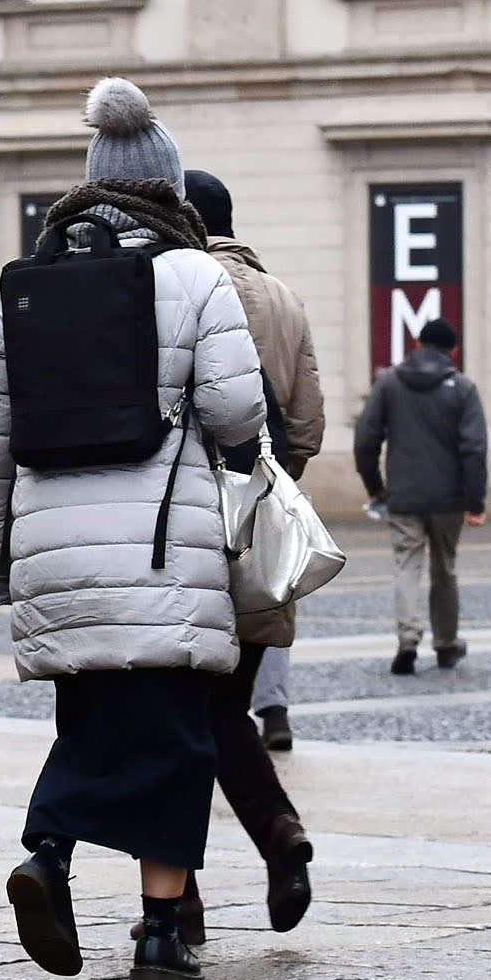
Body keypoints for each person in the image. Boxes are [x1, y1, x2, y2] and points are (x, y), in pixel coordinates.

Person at [0, 78, 264, 980]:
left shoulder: (22, 289)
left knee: (89, 723)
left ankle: (48, 856)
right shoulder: (195, 276)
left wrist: (0, 566)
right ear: (171, 191)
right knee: (175, 742)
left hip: (60, 556)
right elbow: (235, 406)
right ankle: (156, 936)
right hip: (162, 550)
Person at [182, 168, 322, 931]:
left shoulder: (181, 288)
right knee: (226, 711)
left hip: (186, 532)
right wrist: (265, 491)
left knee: (176, 718)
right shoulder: (285, 297)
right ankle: (280, 837)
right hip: (259, 538)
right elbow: (306, 430)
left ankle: (182, 904)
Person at [355, 316, 487, 675]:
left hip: (404, 494)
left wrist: (376, 487)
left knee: (406, 565)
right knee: (445, 567)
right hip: (449, 498)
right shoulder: (462, 388)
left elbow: (366, 440)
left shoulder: (389, 384)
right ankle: (446, 644)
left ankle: (408, 640)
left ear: (417, 344)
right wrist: (475, 502)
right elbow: (473, 449)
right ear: (453, 350)